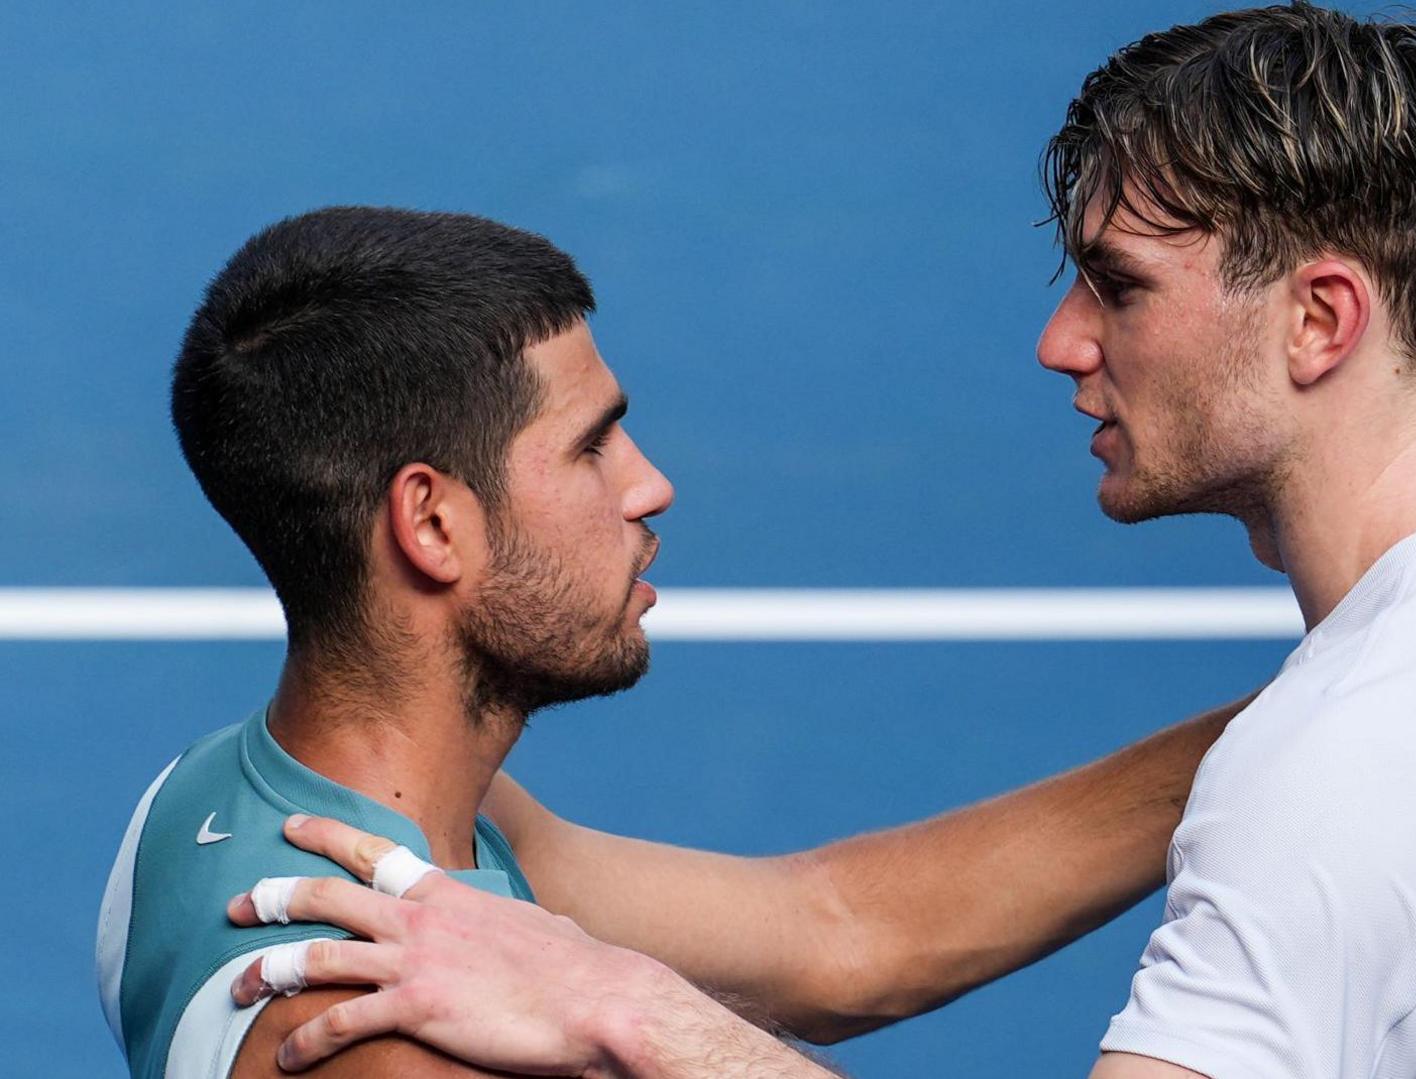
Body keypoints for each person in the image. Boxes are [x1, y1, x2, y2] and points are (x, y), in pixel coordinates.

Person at [219, 3, 1416, 1076]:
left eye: (1122, 287)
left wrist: (624, 1005)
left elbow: (1368, 785)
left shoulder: (1349, 791)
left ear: (1322, 319)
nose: (1062, 341)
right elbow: (840, 931)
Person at [96, 205, 1251, 1078]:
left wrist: (1297, 719)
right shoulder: (400, 1042)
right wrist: (643, 1015)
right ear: (433, 522)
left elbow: (847, 934)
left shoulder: (228, 806)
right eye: (592, 446)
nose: (650, 486)